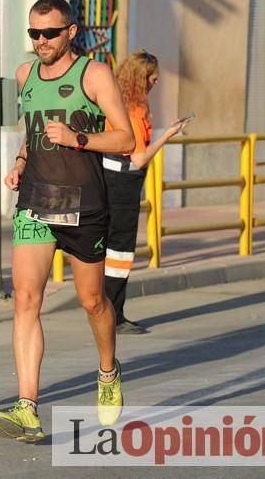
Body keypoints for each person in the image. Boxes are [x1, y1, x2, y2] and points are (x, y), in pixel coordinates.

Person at [0, 0, 135, 443]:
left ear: (70, 32)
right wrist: (19, 161)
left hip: (85, 206)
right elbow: (31, 132)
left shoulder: (93, 74)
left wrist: (78, 137)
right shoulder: (24, 75)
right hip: (36, 201)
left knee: (92, 302)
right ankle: (27, 406)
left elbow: (126, 137)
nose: (40, 42)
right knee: (25, 300)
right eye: (34, 34)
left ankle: (108, 371)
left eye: (49, 33)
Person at [103, 51, 189, 334]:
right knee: (120, 251)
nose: (156, 81)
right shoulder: (135, 110)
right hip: (124, 182)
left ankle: (103, 309)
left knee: (105, 248)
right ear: (140, 78)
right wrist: (168, 135)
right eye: (152, 77)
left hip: (106, 176)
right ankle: (113, 315)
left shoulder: (114, 100)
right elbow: (139, 158)